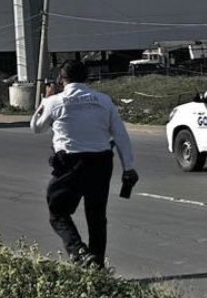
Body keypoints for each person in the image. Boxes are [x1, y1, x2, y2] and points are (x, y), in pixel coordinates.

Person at [30, 59, 138, 269]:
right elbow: (121, 136)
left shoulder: (55, 102)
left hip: (70, 164)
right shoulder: (104, 100)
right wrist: (128, 168)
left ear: (61, 79)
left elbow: (36, 127)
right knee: (96, 216)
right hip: (101, 162)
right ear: (87, 78)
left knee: (58, 212)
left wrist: (46, 99)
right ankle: (97, 264)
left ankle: (79, 251)